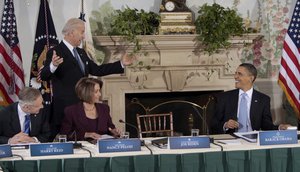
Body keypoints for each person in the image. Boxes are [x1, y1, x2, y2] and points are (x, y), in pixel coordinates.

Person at [40, 18, 133, 140]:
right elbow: (44, 76)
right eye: (82, 32)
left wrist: (120, 64)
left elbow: (96, 70)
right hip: (66, 108)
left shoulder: (81, 52)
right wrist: (53, 66)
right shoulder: (56, 51)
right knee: (68, 141)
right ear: (71, 32)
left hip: (82, 105)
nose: (84, 36)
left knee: (85, 139)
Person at [210, 63, 290, 134]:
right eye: (235, 73)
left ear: (251, 78)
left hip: (253, 141)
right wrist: (225, 125)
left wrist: (280, 127)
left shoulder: (263, 99)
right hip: (231, 140)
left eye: (240, 74)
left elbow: (266, 125)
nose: (235, 77)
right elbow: (213, 125)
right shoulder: (224, 97)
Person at [60, 77, 120, 142]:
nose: (100, 94)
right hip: (82, 150)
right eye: (96, 92)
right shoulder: (71, 111)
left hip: (103, 148)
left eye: (99, 91)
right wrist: (86, 134)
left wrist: (114, 132)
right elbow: (65, 135)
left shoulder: (104, 108)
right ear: (86, 93)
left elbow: (110, 128)